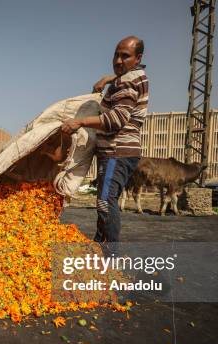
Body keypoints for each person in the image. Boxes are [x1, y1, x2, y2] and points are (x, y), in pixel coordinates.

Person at [60, 36, 149, 254]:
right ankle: (99, 245)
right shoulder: (134, 77)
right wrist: (111, 79)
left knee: (106, 201)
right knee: (105, 200)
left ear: (137, 58)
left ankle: (109, 254)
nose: (118, 60)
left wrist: (79, 121)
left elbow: (115, 120)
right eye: (116, 55)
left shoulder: (127, 82)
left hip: (116, 151)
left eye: (125, 56)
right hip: (119, 152)